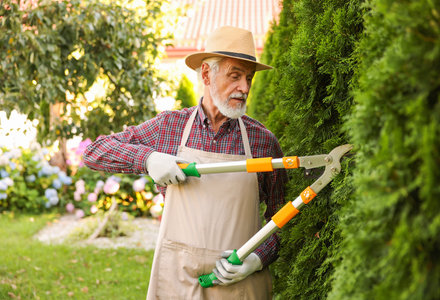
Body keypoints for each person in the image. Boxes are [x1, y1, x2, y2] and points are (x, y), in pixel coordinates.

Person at [83, 26, 287, 299]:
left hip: (238, 285)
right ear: (206, 74)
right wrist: (148, 158)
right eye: (235, 76)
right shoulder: (169, 127)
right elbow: (94, 151)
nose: (245, 87)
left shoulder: (262, 142)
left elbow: (283, 218)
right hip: (177, 282)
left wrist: (257, 259)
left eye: (248, 78)